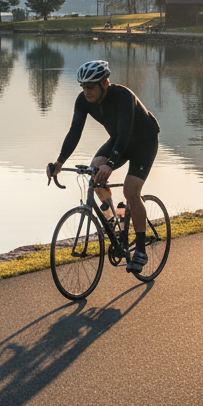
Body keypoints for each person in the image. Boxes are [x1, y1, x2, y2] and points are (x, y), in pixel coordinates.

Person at [46, 60, 160, 271]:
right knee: (95, 169)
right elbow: (74, 132)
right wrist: (59, 162)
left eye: (90, 86)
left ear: (105, 83)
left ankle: (141, 250)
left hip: (143, 142)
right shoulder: (83, 101)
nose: (86, 91)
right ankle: (113, 220)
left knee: (131, 190)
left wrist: (111, 164)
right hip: (119, 141)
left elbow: (126, 133)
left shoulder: (123, 96)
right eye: (83, 86)